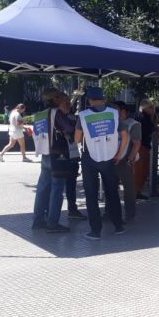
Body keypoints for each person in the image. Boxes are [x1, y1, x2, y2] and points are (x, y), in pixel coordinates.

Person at [74, 87, 128, 240]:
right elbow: (125, 135)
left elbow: (77, 139)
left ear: (89, 100)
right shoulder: (114, 113)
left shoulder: (83, 116)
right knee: (112, 193)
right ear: (103, 99)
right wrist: (119, 154)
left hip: (89, 158)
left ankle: (95, 231)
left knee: (91, 195)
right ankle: (118, 226)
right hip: (110, 158)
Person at [31, 89, 76, 232]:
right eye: (62, 99)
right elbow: (69, 128)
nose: (65, 102)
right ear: (56, 99)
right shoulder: (56, 113)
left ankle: (38, 220)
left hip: (44, 154)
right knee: (57, 189)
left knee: (42, 189)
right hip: (58, 155)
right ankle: (52, 223)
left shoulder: (39, 115)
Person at [113, 101, 142, 222]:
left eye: (116, 110)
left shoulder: (133, 124)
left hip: (125, 160)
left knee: (128, 189)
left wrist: (130, 160)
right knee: (110, 187)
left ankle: (130, 214)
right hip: (112, 159)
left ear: (123, 111)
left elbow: (136, 143)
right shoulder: (112, 123)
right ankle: (111, 211)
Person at [61, 96, 86, 220]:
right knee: (62, 184)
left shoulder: (72, 117)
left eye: (68, 102)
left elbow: (77, 137)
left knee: (70, 184)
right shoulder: (65, 118)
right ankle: (71, 209)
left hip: (72, 154)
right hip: (64, 155)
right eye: (64, 103)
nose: (68, 105)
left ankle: (72, 209)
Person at [133, 99, 159, 200]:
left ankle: (137, 191)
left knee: (142, 171)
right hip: (141, 146)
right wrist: (154, 129)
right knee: (140, 171)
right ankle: (136, 192)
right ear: (145, 108)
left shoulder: (143, 116)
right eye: (150, 107)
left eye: (153, 107)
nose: (153, 109)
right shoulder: (143, 117)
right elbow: (145, 130)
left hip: (142, 145)